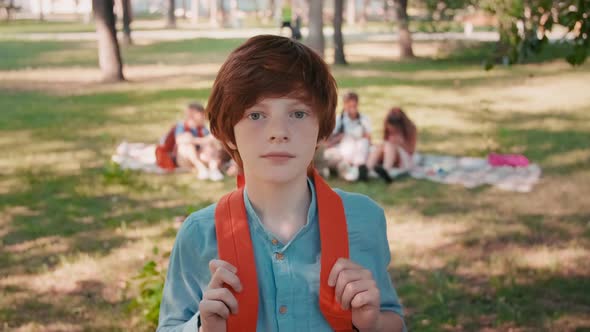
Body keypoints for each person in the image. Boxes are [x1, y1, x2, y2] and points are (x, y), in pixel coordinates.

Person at [157, 35, 405, 332]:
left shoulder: (364, 220)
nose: (278, 132)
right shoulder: (199, 234)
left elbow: (393, 319)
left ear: (322, 129)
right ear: (228, 133)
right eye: (256, 114)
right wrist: (202, 327)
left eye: (298, 113)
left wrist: (372, 323)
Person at [157, 102, 225, 181]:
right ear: (192, 115)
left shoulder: (202, 129)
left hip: (200, 156)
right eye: (202, 114)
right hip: (183, 159)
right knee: (186, 145)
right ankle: (201, 168)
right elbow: (180, 140)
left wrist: (196, 140)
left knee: (209, 145)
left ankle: (214, 169)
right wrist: (201, 140)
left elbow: (211, 139)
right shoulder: (182, 126)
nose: (204, 117)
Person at [322, 91, 372, 181]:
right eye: (349, 106)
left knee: (363, 142)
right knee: (348, 141)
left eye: (354, 106)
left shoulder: (364, 119)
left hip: (359, 149)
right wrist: (340, 137)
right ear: (344, 105)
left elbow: (369, 139)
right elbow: (327, 142)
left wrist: (362, 136)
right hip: (344, 149)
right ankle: (357, 168)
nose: (352, 109)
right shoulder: (339, 120)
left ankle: (358, 168)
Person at [365, 107, 417, 183]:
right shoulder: (387, 126)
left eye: (394, 130)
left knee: (389, 146)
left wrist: (401, 143)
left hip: (404, 158)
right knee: (381, 146)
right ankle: (366, 169)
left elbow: (411, 151)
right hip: (390, 155)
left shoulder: (411, 128)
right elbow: (385, 142)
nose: (392, 131)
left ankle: (386, 170)